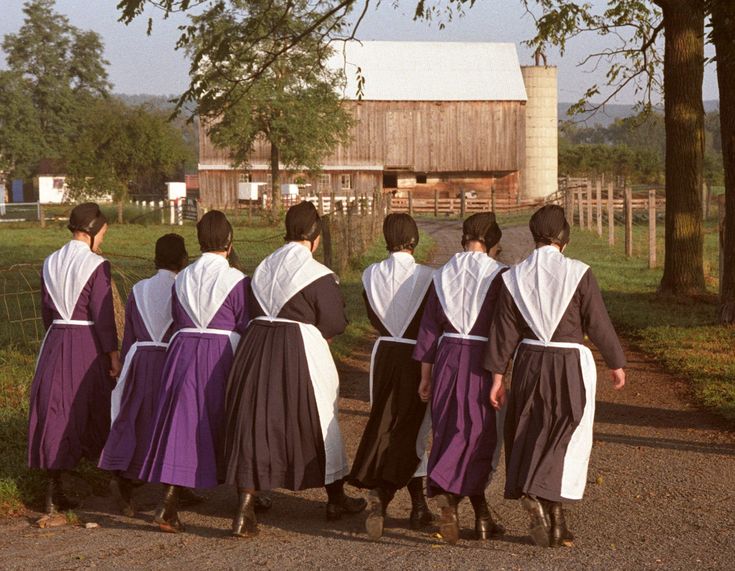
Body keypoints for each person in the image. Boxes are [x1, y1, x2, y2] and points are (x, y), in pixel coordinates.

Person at [485, 204, 626, 548]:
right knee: (566, 434)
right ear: (563, 236)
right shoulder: (579, 272)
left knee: (533, 431)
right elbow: (597, 322)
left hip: (530, 360)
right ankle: (555, 518)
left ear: (534, 236)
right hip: (569, 363)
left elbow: (503, 332)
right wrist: (616, 362)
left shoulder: (512, 276)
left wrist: (497, 377)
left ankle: (547, 509)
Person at [224, 201, 366, 539]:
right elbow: (334, 321)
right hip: (298, 346)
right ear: (315, 236)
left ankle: (245, 506)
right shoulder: (316, 274)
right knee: (318, 416)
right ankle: (335, 498)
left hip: (256, 344)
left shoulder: (262, 267)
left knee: (257, 422)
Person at [140, 211, 252, 533]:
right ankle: (244, 499)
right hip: (221, 352)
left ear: (199, 241)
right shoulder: (236, 280)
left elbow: (177, 315)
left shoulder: (183, 277)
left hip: (183, 350)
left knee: (181, 424)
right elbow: (244, 322)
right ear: (229, 242)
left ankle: (168, 502)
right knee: (231, 420)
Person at [413, 212, 507, 545]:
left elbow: (428, 328)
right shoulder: (500, 276)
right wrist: (503, 372)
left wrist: (425, 374)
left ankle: (480, 515)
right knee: (479, 436)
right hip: (483, 360)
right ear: (494, 243)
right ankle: (454, 500)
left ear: (463, 240)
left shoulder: (443, 275)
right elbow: (504, 328)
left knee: (449, 430)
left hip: (447, 358)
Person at [28, 202, 120, 515]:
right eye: (103, 234)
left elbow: (45, 310)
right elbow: (103, 314)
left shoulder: (49, 261)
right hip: (85, 341)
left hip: (55, 339)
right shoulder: (97, 264)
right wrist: (113, 354)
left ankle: (54, 489)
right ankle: (117, 480)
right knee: (93, 406)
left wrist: (56, 338)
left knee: (56, 410)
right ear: (92, 231)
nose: (103, 240)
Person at [349, 213, 435, 540]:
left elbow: (371, 314)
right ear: (414, 238)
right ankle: (414, 505)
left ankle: (395, 498)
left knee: (386, 424)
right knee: (415, 428)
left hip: (384, 352)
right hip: (417, 354)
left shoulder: (370, 274)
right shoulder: (428, 276)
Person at [98, 234, 188, 516]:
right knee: (170, 423)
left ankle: (123, 477)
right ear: (184, 260)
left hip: (141, 358)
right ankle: (171, 485)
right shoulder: (183, 287)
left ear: (155, 259)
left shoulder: (139, 289)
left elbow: (131, 333)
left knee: (135, 420)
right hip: (169, 359)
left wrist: (125, 363)